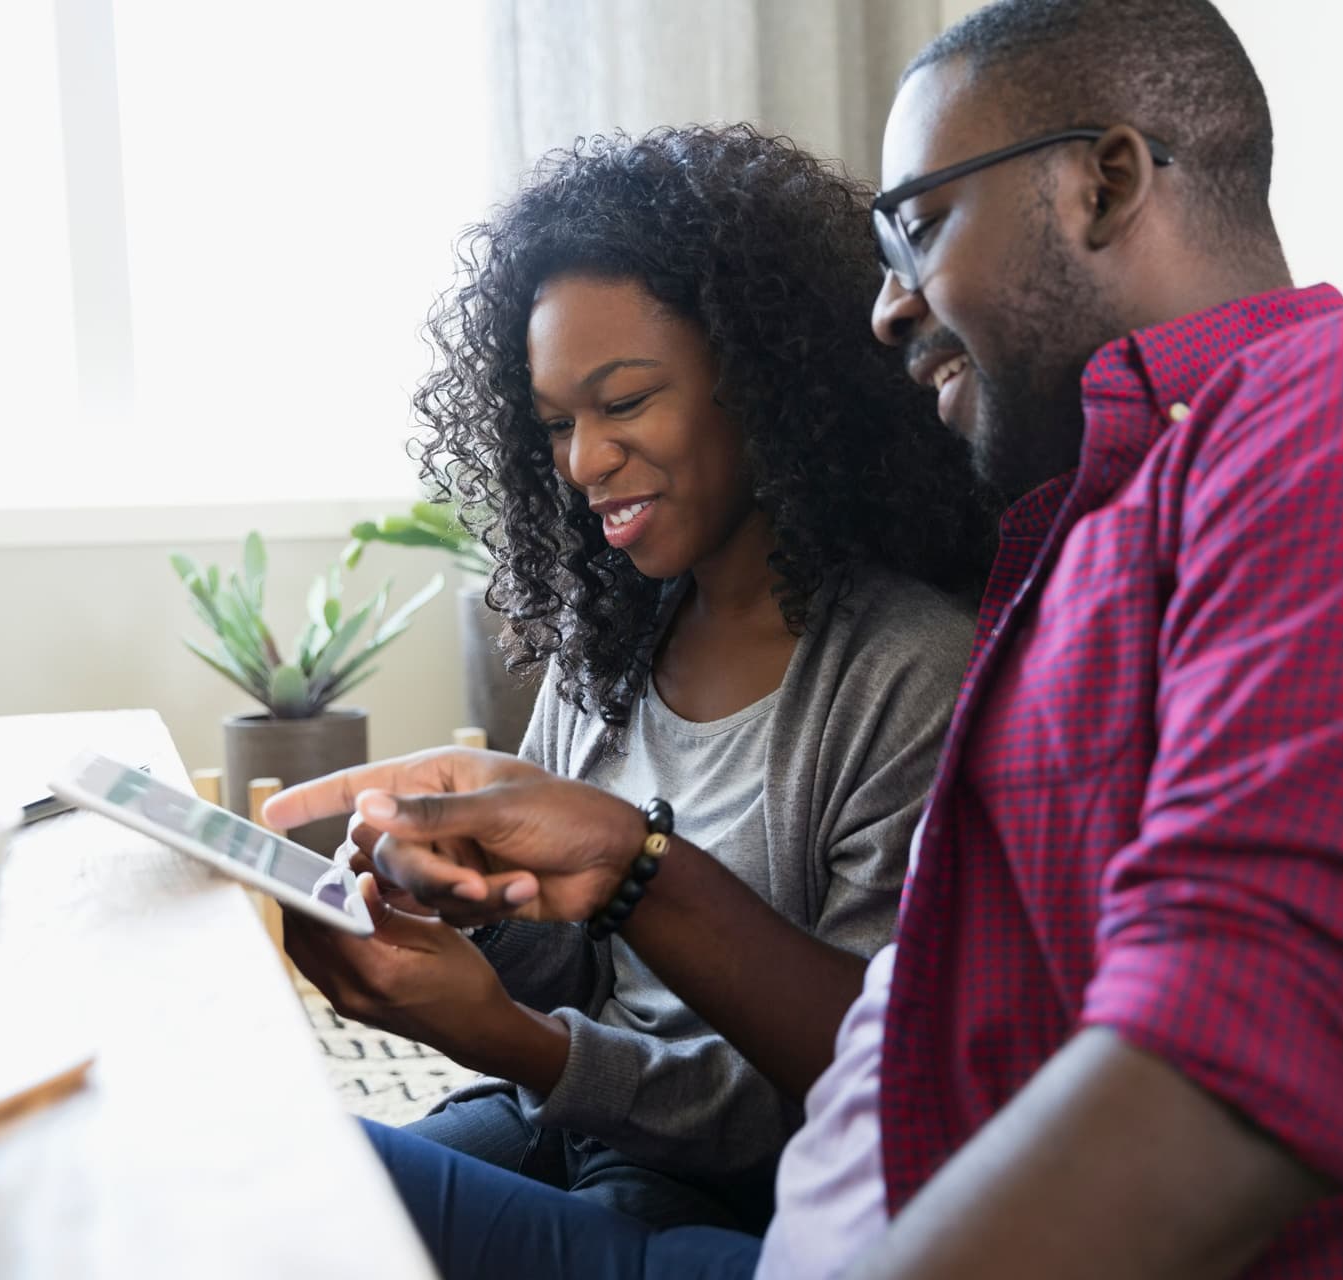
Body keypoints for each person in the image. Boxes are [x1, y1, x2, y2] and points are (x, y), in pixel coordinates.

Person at [269, 2, 1343, 1276]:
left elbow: (1236, 1049)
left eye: (921, 228)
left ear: (1104, 182)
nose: (885, 309)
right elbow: (929, 1047)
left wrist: (627, 893)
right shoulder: (1067, 560)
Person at [279, 124, 995, 1236]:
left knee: (327, 1202)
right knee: (288, 1179)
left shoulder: (906, 675)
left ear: (763, 381)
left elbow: (855, 1091)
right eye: (556, 423)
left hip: (744, 1195)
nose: (583, 461)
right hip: (581, 1127)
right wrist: (469, 906)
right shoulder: (615, 638)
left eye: (621, 403)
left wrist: (516, 1042)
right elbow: (585, 976)